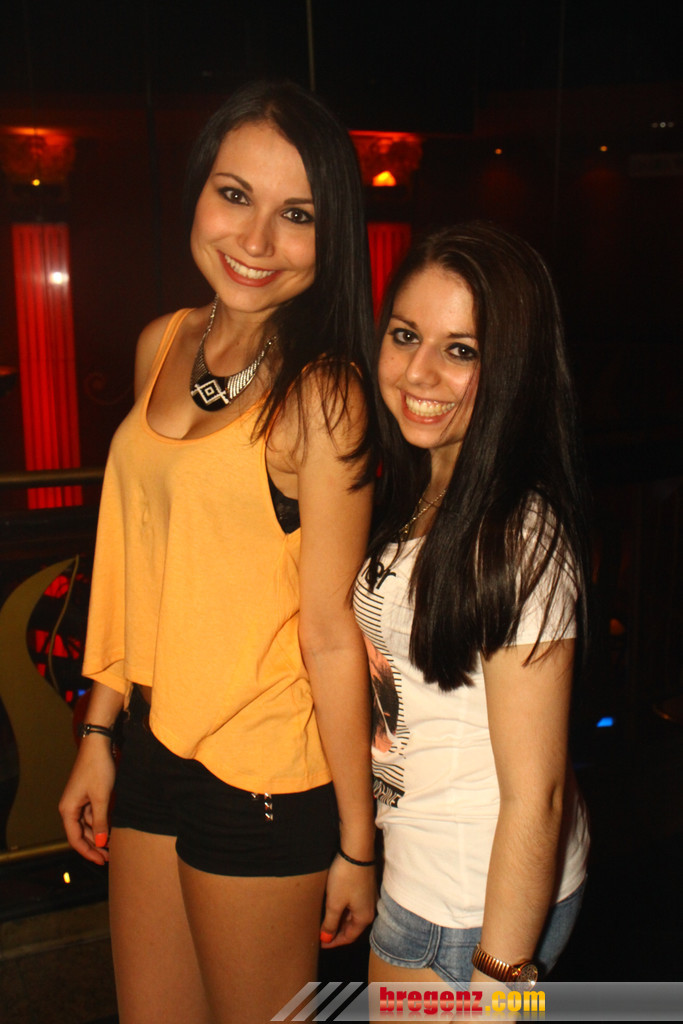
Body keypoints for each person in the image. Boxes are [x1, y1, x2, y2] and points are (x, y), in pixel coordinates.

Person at [59, 80, 377, 1024]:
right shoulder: (164, 343)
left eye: (297, 215)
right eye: (234, 195)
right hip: (155, 743)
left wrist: (357, 841)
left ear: (331, 235)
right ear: (198, 192)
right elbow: (137, 563)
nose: (257, 240)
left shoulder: (324, 395)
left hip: (267, 772)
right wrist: (98, 733)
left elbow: (331, 632)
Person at [354, 222, 590, 992]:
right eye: (405, 335)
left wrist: (498, 984)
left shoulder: (513, 537)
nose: (418, 371)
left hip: (464, 906)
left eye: (460, 350)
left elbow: (536, 795)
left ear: (512, 367)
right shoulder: (430, 483)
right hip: (432, 862)